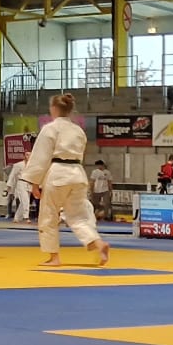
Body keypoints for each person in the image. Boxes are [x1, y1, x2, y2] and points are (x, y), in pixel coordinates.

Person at [23, 93, 108, 267]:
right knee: (77, 215)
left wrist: (34, 183)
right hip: (78, 173)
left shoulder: (50, 128)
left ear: (53, 109)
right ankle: (97, 243)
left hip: (58, 174)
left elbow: (41, 157)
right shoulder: (78, 130)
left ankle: (54, 257)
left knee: (49, 215)